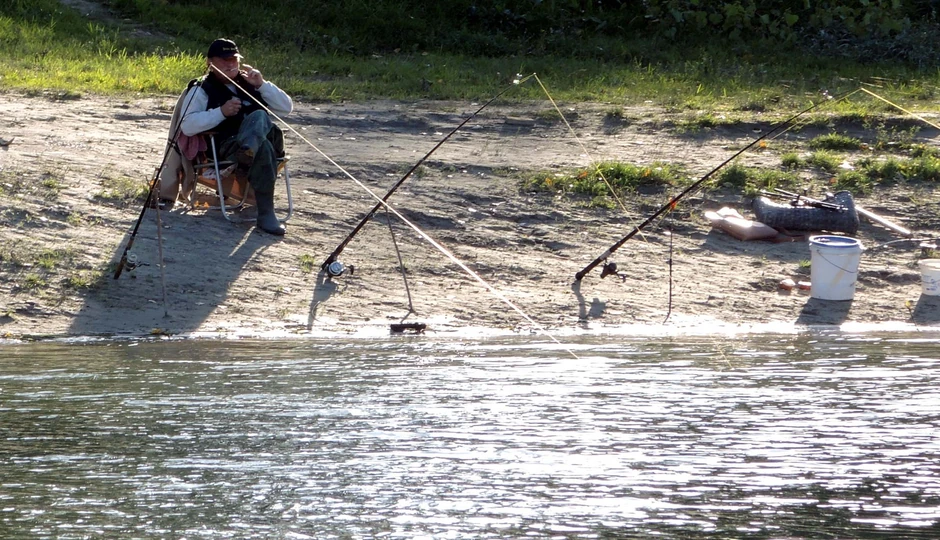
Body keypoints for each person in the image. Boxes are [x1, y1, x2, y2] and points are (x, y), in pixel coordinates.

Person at [171, 38, 293, 235]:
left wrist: (262, 85)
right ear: (210, 63)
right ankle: (266, 214)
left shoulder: (251, 82)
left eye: (234, 60)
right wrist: (221, 112)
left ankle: (249, 152)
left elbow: (286, 108)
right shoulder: (201, 89)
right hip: (229, 148)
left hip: (264, 142)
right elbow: (187, 125)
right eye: (225, 60)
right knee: (263, 148)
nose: (231, 65)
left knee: (260, 118)